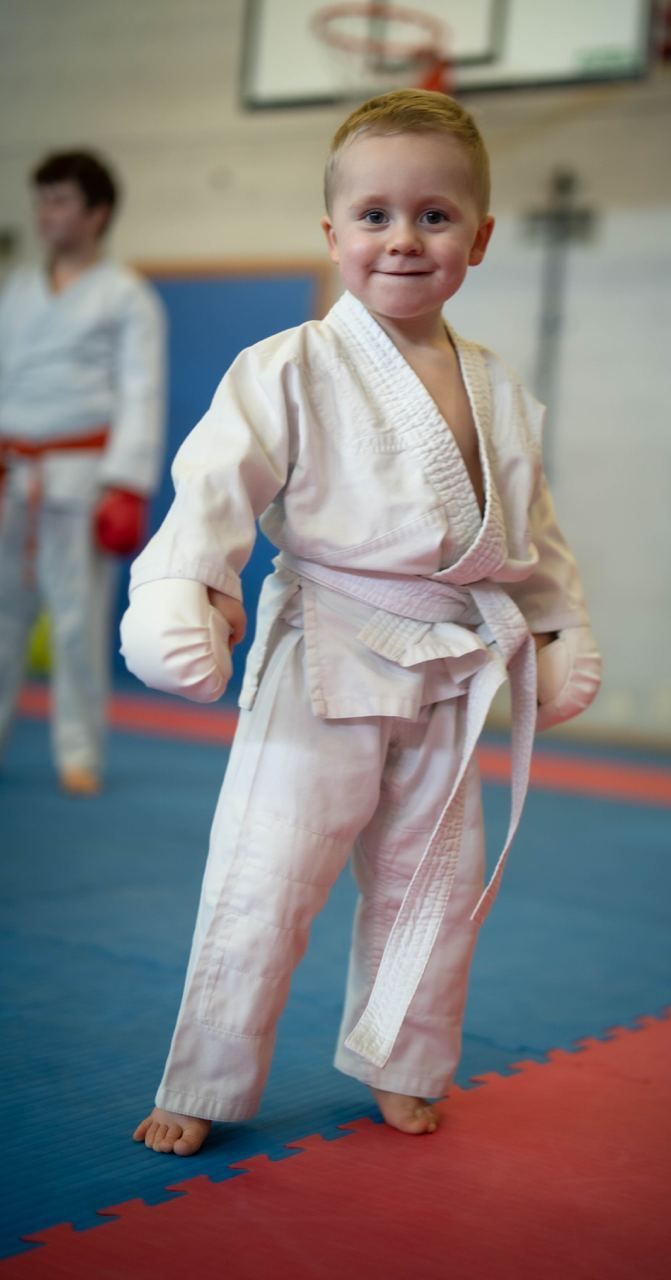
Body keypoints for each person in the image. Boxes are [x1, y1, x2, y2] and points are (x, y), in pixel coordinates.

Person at [121, 89, 601, 1156]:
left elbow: (532, 530)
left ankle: (404, 1059)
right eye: (375, 215)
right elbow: (212, 486)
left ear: (480, 235)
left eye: (434, 216)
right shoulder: (285, 365)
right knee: (266, 872)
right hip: (326, 652)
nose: (403, 239)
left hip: (454, 665)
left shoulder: (501, 389)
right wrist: (183, 588)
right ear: (331, 234)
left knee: (432, 886)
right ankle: (205, 1075)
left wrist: (559, 624)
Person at [0, 149, 165, 794]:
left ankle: (78, 752)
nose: (47, 214)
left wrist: (126, 485)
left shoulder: (127, 295)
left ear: (98, 213)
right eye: (42, 199)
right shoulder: (16, 288)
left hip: (80, 473)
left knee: (76, 621)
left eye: (62, 201)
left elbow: (142, 392)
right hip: (11, 468)